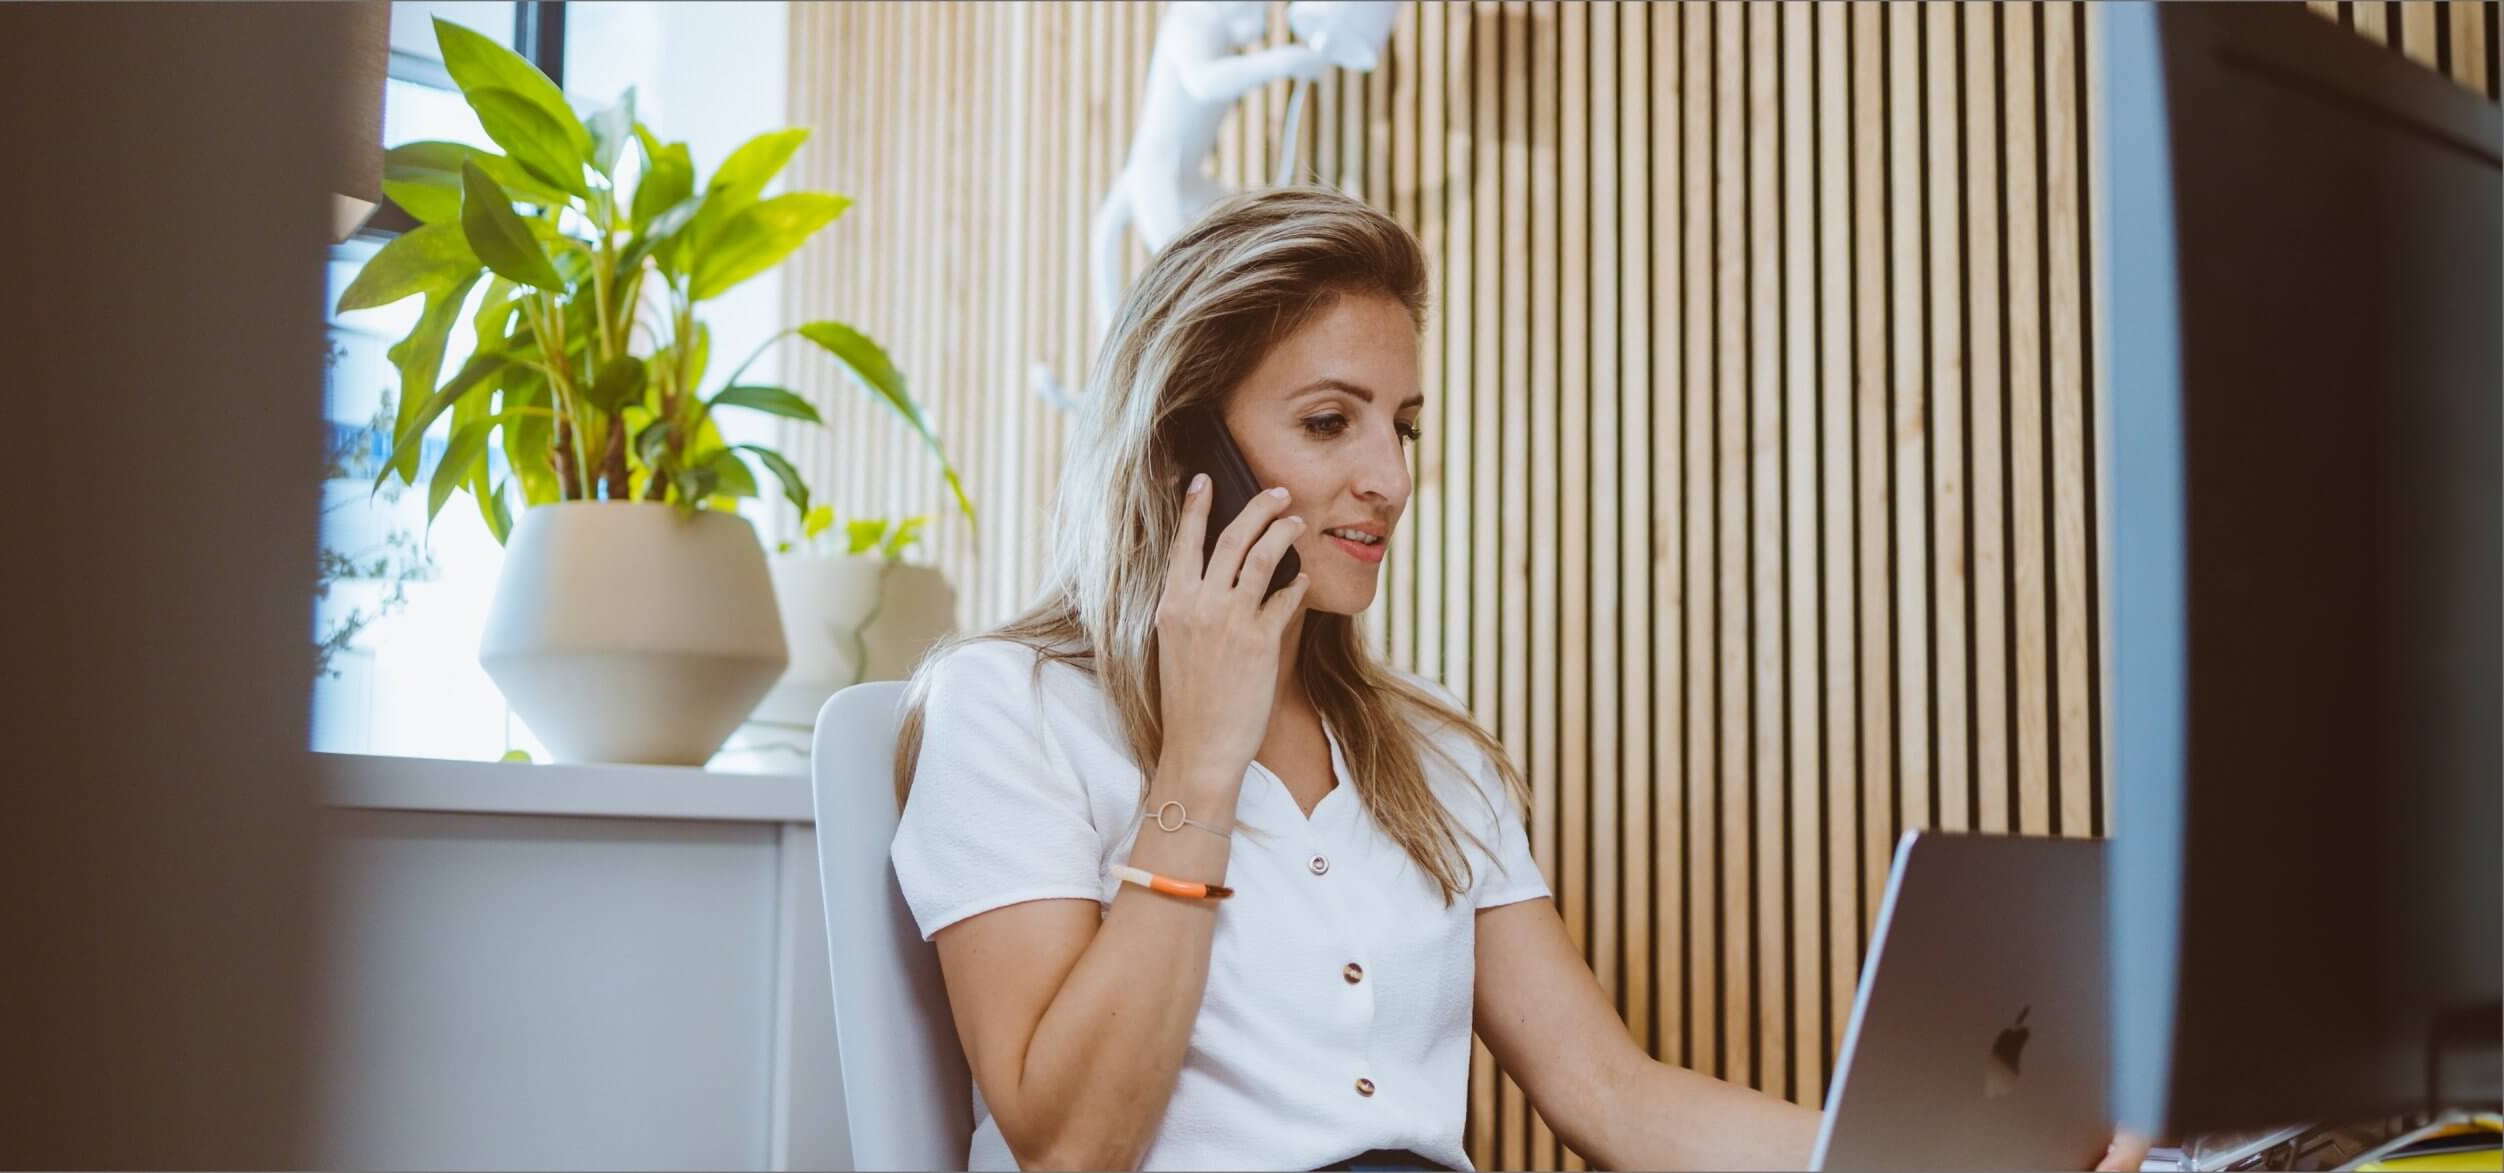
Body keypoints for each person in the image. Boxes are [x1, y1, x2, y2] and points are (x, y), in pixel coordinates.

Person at [891, 186, 2145, 1172]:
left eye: (1405, 425)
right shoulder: (1011, 710)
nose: (1389, 476)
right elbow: (1072, 1147)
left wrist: (1942, 1159)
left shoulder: (1432, 754)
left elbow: (1611, 1095)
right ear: (1186, 450)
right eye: (1332, 422)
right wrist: (1200, 761)